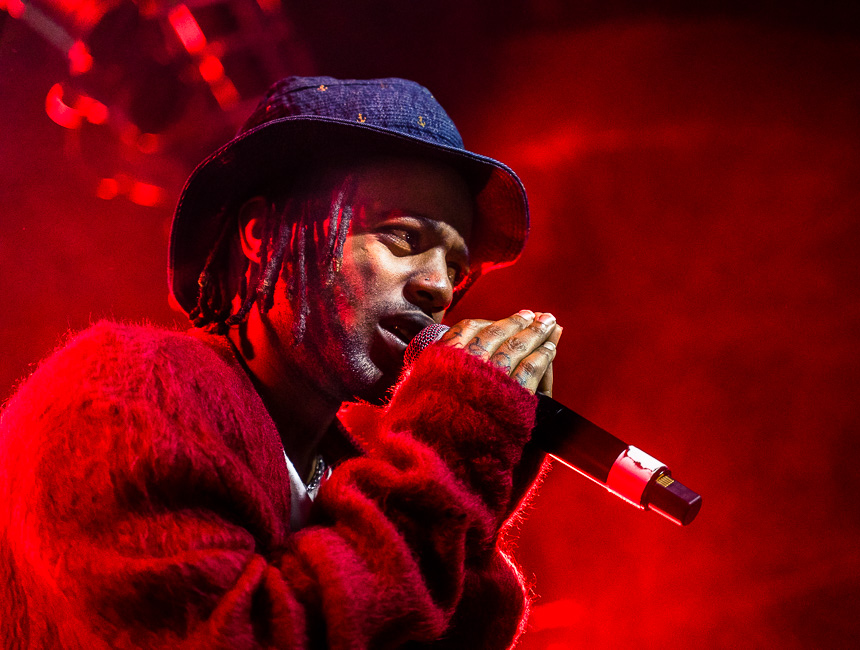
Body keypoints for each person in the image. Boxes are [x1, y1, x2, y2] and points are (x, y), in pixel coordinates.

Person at [0, 76, 561, 649]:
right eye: (401, 237)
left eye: (457, 270)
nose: (438, 287)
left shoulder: (346, 473)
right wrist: (446, 463)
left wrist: (470, 493)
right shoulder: (121, 391)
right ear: (261, 233)